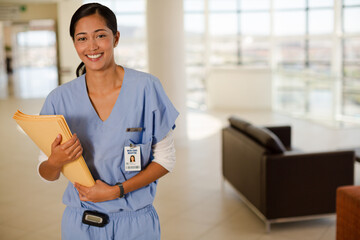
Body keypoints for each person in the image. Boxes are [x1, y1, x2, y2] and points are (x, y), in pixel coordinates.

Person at [37, 3, 178, 240]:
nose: (92, 46)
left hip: (136, 222)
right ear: (74, 44)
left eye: (100, 35)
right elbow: (46, 172)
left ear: (116, 38)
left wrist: (116, 191)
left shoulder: (146, 88)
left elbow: (166, 159)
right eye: (82, 38)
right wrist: (54, 161)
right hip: (81, 223)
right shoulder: (59, 100)